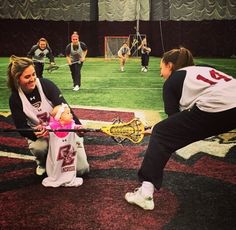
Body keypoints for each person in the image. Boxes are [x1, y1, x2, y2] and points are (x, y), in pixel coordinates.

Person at [125, 47, 236, 210]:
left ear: (169, 65)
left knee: (161, 133)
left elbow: (173, 124)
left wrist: (156, 129)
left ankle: (145, 193)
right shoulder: (203, 69)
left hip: (217, 106)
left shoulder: (172, 81)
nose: (160, 73)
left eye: (161, 68)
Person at [7, 55, 89, 176]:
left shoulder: (46, 85)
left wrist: (77, 126)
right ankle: (42, 162)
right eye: (27, 77)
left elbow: (65, 108)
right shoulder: (15, 98)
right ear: (17, 79)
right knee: (39, 147)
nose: (32, 79)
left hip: (62, 131)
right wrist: (33, 133)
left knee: (82, 170)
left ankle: (76, 144)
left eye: (33, 74)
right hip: (43, 135)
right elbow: (21, 127)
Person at [42, 103, 85, 187]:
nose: (71, 114)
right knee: (57, 165)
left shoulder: (72, 125)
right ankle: (57, 176)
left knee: (74, 166)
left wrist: (81, 128)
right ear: (60, 117)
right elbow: (44, 130)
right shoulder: (51, 128)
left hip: (68, 155)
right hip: (57, 155)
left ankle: (68, 177)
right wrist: (41, 128)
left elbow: (77, 127)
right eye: (68, 113)